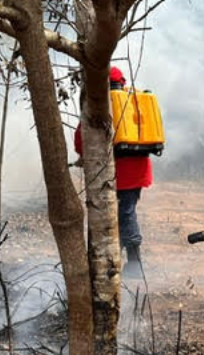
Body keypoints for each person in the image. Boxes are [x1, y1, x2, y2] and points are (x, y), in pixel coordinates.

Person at [74, 67, 153, 278]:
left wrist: (84, 155)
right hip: (139, 172)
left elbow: (81, 140)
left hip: (116, 173)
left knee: (120, 214)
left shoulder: (101, 105)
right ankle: (120, 260)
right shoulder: (134, 99)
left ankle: (134, 264)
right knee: (123, 213)